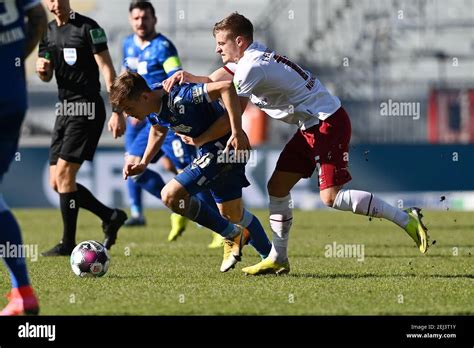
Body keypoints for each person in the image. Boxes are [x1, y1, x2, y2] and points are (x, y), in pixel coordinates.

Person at [163, 12, 430, 275]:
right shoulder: (250, 57)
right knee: (277, 187)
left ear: (240, 41)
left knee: (331, 197)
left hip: (328, 123)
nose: (217, 49)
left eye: (222, 44)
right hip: (311, 125)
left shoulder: (250, 67)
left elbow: (233, 112)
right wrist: (190, 77)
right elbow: (216, 81)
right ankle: (278, 258)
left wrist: (199, 139)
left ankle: (405, 218)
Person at [110, 71, 272, 272]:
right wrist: (144, 162)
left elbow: (226, 87)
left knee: (170, 195)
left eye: (128, 108)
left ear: (144, 97)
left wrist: (237, 131)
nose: (127, 114)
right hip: (215, 151)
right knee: (232, 212)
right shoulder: (152, 103)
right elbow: (159, 129)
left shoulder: (182, 96)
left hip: (224, 148)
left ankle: (232, 235)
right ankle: (271, 257)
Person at [121, 1, 224, 247]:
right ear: (130, 20)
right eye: (136, 18)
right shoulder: (127, 44)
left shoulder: (163, 47)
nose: (140, 22)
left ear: (154, 20)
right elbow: (124, 81)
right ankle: (181, 207)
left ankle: (219, 227)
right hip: (146, 119)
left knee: (189, 174)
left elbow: (174, 75)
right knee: (134, 168)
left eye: (145, 18)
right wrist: (122, 110)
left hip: (167, 118)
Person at [36, 0, 128, 256]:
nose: (54, 3)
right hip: (64, 110)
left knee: (65, 176)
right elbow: (46, 73)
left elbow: (108, 71)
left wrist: (117, 111)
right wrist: (42, 70)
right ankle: (110, 216)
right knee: (57, 182)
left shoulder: (88, 28)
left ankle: (68, 243)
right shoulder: (47, 32)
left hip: (87, 109)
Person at [0, 0, 47, 315]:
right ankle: (22, 290)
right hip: (13, 96)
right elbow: (39, 15)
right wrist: (16, 58)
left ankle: (23, 289)